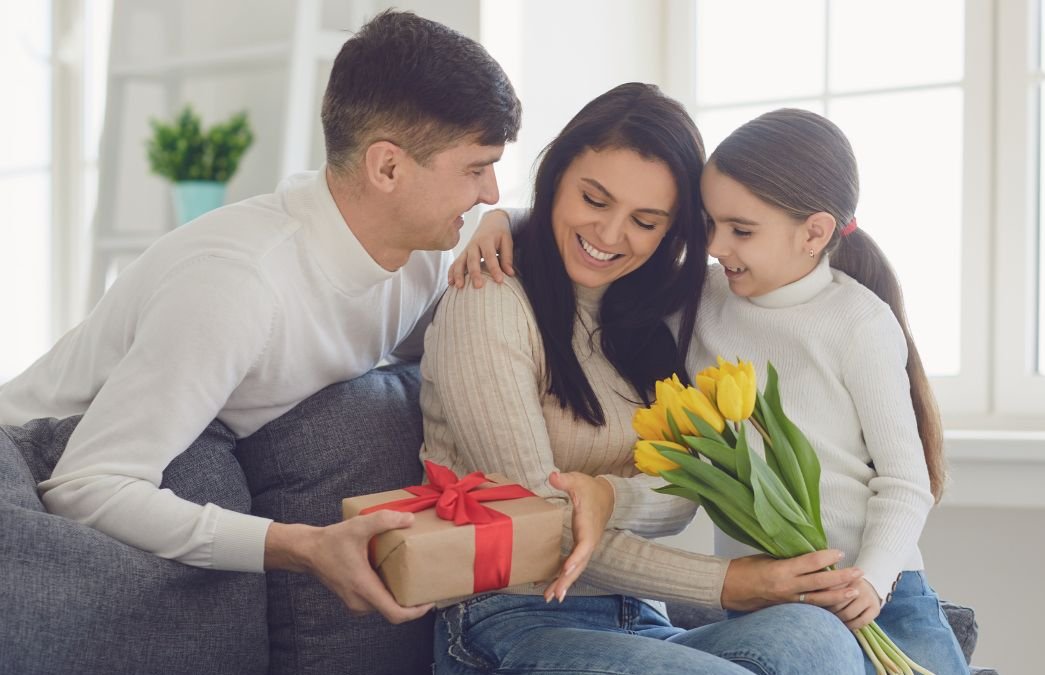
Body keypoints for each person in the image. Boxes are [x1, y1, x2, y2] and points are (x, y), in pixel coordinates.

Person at [0, 10, 519, 625]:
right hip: (26, 472)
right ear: (386, 168)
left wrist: (510, 221)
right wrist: (302, 546)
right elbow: (85, 484)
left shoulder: (416, 256)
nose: (489, 191)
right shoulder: (236, 286)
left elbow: (435, 347)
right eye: (475, 168)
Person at [453, 109, 970, 674]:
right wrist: (504, 220)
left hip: (880, 582)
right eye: (710, 226)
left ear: (815, 233)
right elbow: (602, 238)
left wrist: (871, 579)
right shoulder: (702, 298)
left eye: (741, 231)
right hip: (762, 591)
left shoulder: (858, 322)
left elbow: (904, 480)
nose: (718, 245)